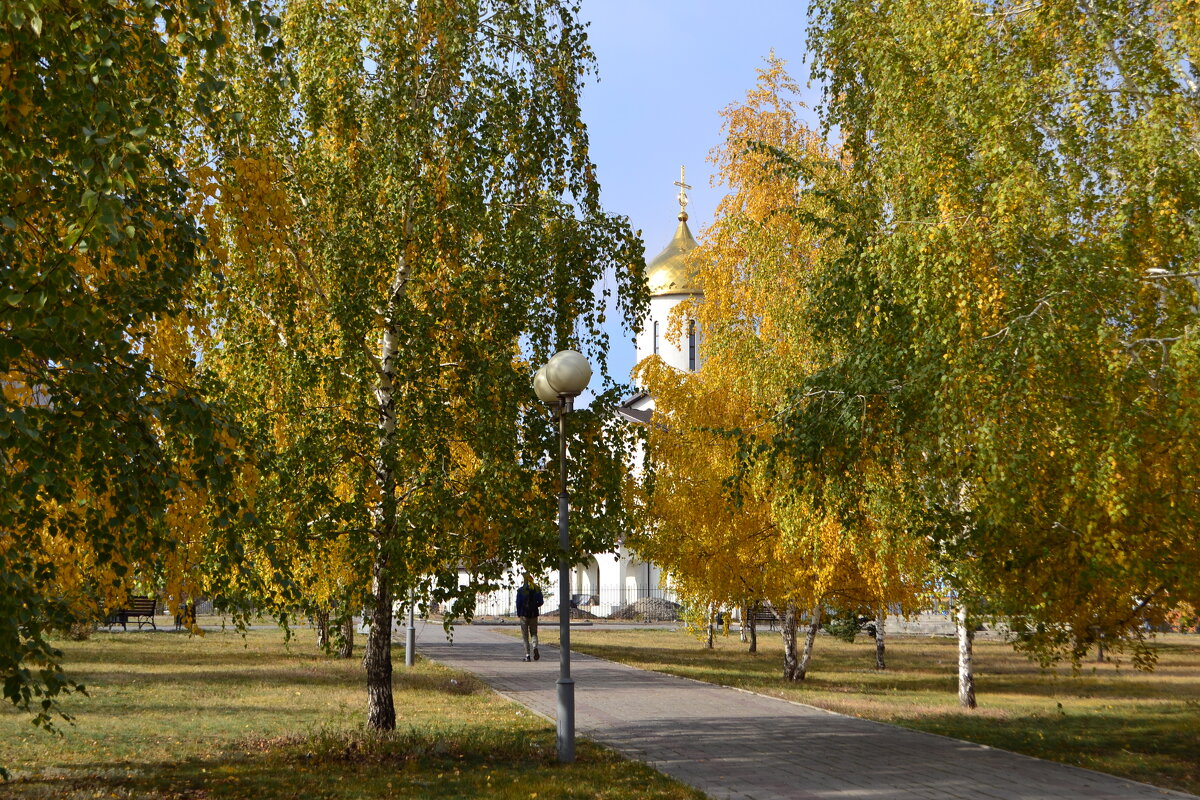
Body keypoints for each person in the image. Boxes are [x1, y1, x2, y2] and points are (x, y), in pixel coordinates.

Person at [515, 573, 543, 662]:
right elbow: (541, 602)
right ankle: (535, 647)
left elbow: (518, 604)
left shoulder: (520, 591)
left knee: (525, 636)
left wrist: (519, 613)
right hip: (534, 614)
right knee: (534, 633)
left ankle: (527, 656)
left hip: (524, 615)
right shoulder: (537, 589)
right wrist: (535, 606)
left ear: (524, 581)